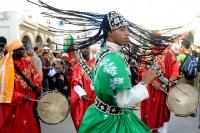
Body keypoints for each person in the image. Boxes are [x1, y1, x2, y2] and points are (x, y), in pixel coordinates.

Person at [79, 11, 159, 133]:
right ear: (110, 32)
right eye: (122, 29)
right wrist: (144, 82)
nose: (127, 33)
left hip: (97, 115)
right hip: (111, 123)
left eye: (127, 29)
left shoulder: (103, 52)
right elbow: (124, 99)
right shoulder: (113, 58)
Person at [0, 40, 42, 133]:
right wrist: (20, 96)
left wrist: (36, 83)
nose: (24, 50)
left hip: (29, 102)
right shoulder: (5, 67)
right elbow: (4, 90)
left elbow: (36, 75)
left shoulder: (27, 63)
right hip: (15, 105)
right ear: (13, 52)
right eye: (21, 49)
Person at [139, 45, 179, 133]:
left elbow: (175, 64)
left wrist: (174, 75)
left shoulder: (168, 51)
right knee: (150, 114)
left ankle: (162, 131)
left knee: (163, 114)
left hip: (164, 88)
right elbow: (142, 70)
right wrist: (153, 81)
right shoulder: (147, 52)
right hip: (150, 89)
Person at [70, 47, 96, 131]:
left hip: (98, 96)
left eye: (87, 48)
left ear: (89, 49)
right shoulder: (78, 66)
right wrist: (82, 93)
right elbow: (75, 81)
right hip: (86, 98)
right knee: (86, 120)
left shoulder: (96, 62)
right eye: (83, 49)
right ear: (80, 51)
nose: (85, 50)